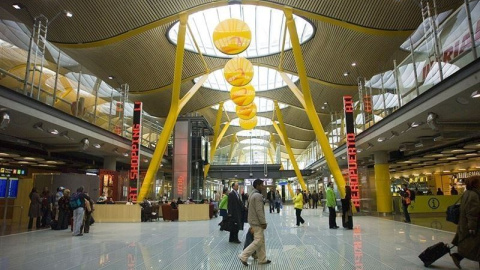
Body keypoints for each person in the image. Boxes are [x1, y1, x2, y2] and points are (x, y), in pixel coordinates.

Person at [238, 179, 271, 266]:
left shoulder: (252, 194)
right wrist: (263, 222)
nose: (263, 187)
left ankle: (262, 259)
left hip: (252, 220)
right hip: (257, 222)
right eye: (262, 185)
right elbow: (259, 210)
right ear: (257, 185)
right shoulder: (258, 196)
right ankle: (243, 256)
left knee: (261, 240)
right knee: (258, 240)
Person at [450, 176, 480, 269]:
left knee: (471, 246)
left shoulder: (467, 193)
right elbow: (472, 213)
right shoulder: (473, 195)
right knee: (476, 246)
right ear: (475, 184)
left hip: (465, 224)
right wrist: (472, 227)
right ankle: (457, 256)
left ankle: (457, 256)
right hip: (473, 226)